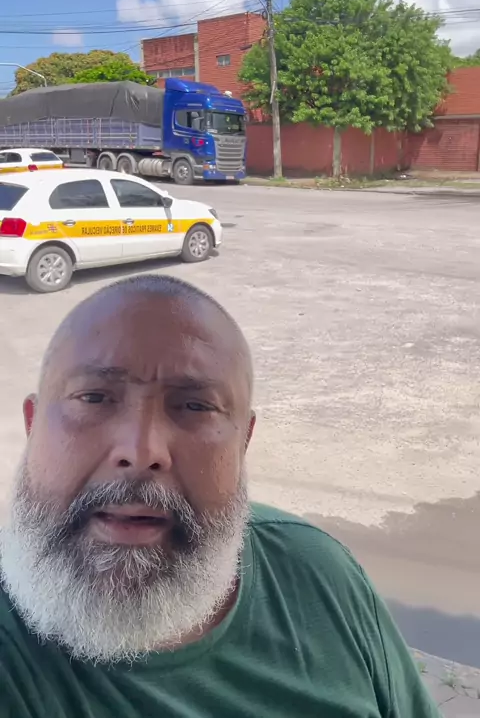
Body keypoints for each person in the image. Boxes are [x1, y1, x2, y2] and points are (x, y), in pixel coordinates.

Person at [0, 275, 439, 718]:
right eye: (94, 398)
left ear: (243, 442)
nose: (141, 451)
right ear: (32, 425)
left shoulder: (317, 571)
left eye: (195, 406)